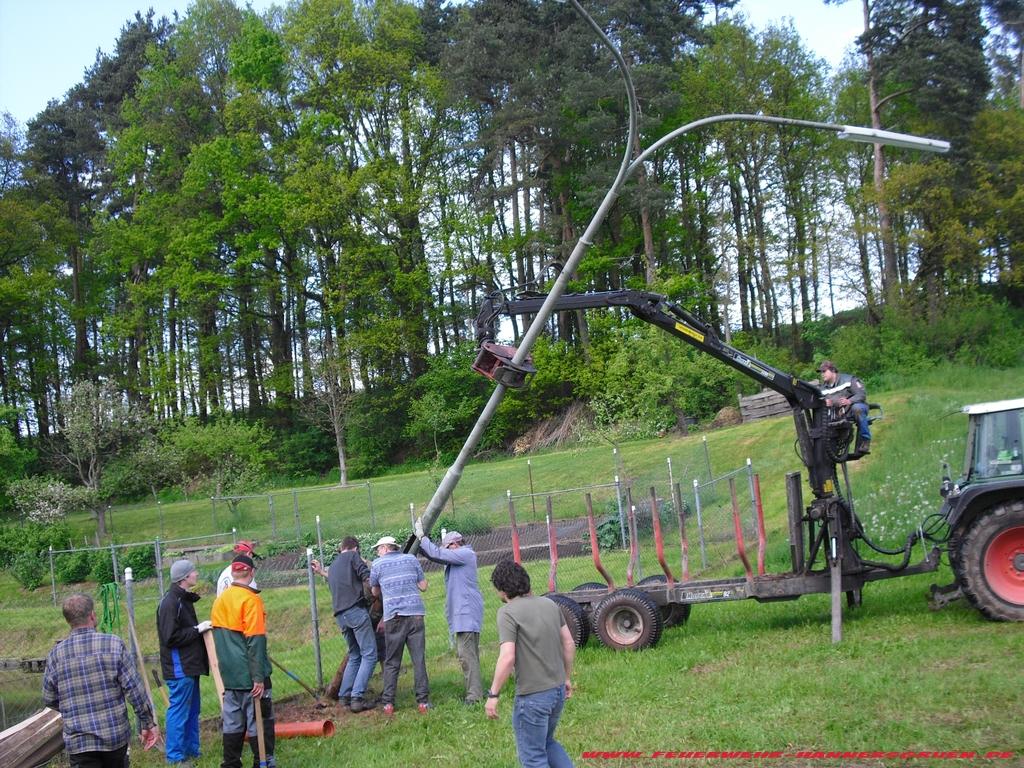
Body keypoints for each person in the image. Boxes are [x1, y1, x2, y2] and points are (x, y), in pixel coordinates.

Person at [42, 592, 160, 767]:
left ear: (68, 621)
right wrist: (148, 722)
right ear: (92, 615)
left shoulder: (55, 655)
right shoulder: (114, 644)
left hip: (79, 742)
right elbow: (135, 690)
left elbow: (49, 699)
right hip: (114, 736)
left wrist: (74, 712)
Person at [486, 560, 576, 768]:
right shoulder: (550, 604)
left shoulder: (507, 613)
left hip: (533, 697)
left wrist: (493, 695)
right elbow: (569, 643)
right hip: (556, 691)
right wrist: (566, 677)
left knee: (533, 756)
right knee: (547, 743)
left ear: (501, 589)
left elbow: (507, 657)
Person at [210, 554, 275, 768]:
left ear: (233, 573)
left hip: (229, 676)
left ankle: (231, 763)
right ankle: (262, 761)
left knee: (232, 723)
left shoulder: (220, 601)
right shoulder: (251, 600)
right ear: (252, 572)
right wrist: (258, 678)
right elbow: (255, 641)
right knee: (260, 721)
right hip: (250, 674)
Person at [414, 520, 484, 704]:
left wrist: (422, 537)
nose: (444, 550)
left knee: (466, 655)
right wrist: (419, 545)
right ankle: (475, 692)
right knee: (469, 655)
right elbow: (435, 555)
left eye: (446, 547)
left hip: (466, 614)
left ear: (454, 544)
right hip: (464, 614)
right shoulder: (460, 557)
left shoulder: (465, 553)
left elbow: (437, 554)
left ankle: (474, 696)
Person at [311, 537, 378, 712]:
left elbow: (339, 579)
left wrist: (321, 572)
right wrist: (376, 592)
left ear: (341, 548)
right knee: (369, 654)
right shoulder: (353, 557)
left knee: (355, 654)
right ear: (355, 548)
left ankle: (344, 697)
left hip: (341, 616)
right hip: (356, 611)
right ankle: (357, 697)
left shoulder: (333, 565)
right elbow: (367, 577)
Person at [156, 559, 211, 766]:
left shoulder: (183, 600)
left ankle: (192, 750)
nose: (196, 574)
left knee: (193, 709)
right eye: (193, 572)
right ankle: (175, 756)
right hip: (179, 667)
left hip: (190, 665)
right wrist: (198, 629)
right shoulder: (171, 603)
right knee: (179, 710)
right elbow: (169, 637)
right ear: (184, 578)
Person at [368, 535, 430, 715]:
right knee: (418, 659)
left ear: (386, 548)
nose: (377, 553)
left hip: (393, 617)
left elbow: (374, 590)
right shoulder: (411, 559)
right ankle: (423, 703)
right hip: (416, 614)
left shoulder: (378, 565)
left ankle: (388, 704)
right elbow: (424, 586)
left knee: (392, 662)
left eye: (378, 549)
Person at [818, 360, 871, 456]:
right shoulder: (822, 389)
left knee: (857, 409)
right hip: (837, 414)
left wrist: (849, 401)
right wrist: (825, 403)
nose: (822, 374)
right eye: (821, 372)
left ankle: (865, 440)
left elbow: (861, 394)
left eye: (824, 371)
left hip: (853, 409)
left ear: (833, 370)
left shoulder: (849, 380)